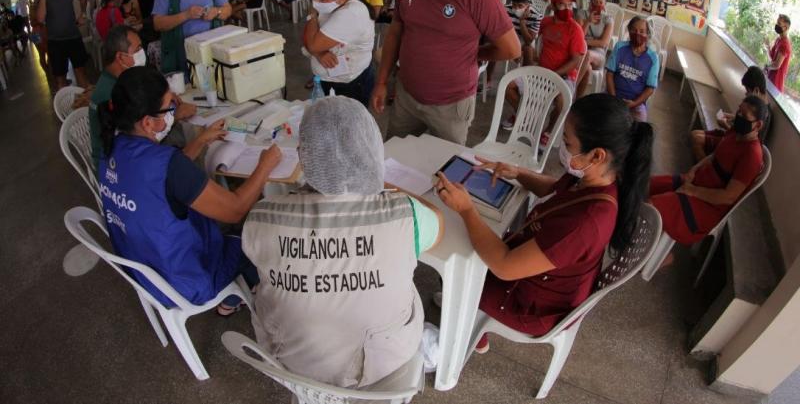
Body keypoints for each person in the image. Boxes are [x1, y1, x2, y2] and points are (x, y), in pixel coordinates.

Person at [243, 96, 443, 387]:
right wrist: (386, 186)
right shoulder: (404, 213)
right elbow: (438, 226)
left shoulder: (261, 217)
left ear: (303, 156)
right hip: (382, 370)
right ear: (371, 151)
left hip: (292, 365)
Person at [436, 93, 653, 351]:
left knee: (454, 265)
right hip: (535, 276)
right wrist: (518, 173)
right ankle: (467, 312)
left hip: (530, 305)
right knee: (465, 250)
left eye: (567, 142)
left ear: (597, 155)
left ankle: (472, 335)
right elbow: (556, 188)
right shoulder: (598, 180)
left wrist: (466, 209)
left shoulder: (586, 222)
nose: (562, 148)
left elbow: (505, 267)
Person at [97, 66, 281, 314]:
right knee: (255, 225)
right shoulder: (168, 165)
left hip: (145, 270)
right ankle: (235, 297)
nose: (174, 112)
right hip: (187, 280)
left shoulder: (111, 149)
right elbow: (235, 209)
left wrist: (201, 140)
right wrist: (265, 165)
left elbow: (159, 180)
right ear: (149, 122)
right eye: (168, 108)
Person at [372, 0, 520, 145]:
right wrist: (382, 82)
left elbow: (511, 48)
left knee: (444, 168)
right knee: (395, 159)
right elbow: (396, 31)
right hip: (406, 96)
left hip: (451, 105)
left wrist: (475, 54)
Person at [650, 96, 766, 247]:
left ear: (758, 125)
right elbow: (714, 156)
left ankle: (663, 256)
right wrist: (695, 169)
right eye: (739, 111)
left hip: (708, 204)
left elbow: (728, 197)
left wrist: (692, 191)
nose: (738, 116)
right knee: (646, 185)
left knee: (650, 208)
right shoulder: (735, 132)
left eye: (744, 116)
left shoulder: (752, 155)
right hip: (697, 182)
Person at [88, 25, 197, 170]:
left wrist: (161, 96)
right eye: (138, 49)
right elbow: (140, 138)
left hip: (123, 156)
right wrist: (174, 117)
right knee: (189, 143)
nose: (142, 52)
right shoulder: (113, 93)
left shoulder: (117, 81)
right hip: (118, 167)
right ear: (120, 57)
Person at [302, 0, 376, 107]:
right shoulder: (329, 6)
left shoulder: (351, 13)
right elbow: (307, 37)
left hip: (349, 85)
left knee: (349, 125)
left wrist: (311, 15)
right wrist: (319, 53)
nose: (316, 2)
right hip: (330, 80)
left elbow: (311, 44)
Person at [537, 0, 587, 144]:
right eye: (562, 5)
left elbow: (575, 61)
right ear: (552, 6)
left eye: (569, 5)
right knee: (510, 86)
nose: (567, 9)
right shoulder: (545, 22)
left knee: (561, 100)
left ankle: (549, 129)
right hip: (541, 71)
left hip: (563, 75)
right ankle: (525, 117)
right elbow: (535, 41)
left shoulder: (575, 28)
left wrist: (554, 74)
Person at [690, 66, 771, 160]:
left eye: (747, 91)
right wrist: (732, 117)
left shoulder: (764, 117)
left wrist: (725, 126)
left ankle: (705, 168)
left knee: (696, 139)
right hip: (730, 136)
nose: (746, 94)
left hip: (734, 143)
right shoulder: (759, 106)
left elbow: (744, 141)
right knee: (694, 133)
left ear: (756, 91)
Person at [35, 0, 90, 89]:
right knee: (60, 80)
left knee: (80, 73)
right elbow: (40, 18)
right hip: (55, 43)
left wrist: (82, 14)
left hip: (73, 38)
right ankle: (67, 107)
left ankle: (85, 105)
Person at [605, 17, 660, 122]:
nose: (637, 34)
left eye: (642, 31)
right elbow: (609, 74)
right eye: (634, 30)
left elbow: (650, 88)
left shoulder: (653, 58)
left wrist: (634, 103)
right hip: (613, 96)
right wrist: (613, 98)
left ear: (647, 34)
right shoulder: (620, 47)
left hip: (636, 104)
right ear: (629, 31)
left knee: (638, 130)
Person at [507, 0, 542, 67]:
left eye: (520, 6)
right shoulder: (506, 10)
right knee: (495, 43)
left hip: (525, 40)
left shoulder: (536, 16)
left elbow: (528, 41)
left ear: (527, 5)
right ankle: (488, 78)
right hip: (510, 37)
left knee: (528, 49)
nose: (516, 8)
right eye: (514, 5)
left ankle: (525, 77)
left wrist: (522, 21)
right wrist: (514, 46)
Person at [582, 0, 615, 70]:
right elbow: (579, 36)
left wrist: (584, 42)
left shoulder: (608, 19)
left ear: (604, 5)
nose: (598, 5)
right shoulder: (582, 14)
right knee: (588, 68)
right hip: (581, 50)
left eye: (601, 3)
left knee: (588, 55)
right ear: (590, 2)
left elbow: (604, 43)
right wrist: (588, 22)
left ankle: (571, 82)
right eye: (595, 2)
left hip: (598, 53)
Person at [764, 14, 792, 92]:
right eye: (777, 23)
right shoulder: (778, 39)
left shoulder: (785, 44)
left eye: (779, 24)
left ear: (786, 27)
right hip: (770, 79)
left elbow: (776, 65)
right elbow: (772, 60)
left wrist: (766, 67)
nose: (776, 25)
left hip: (775, 84)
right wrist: (768, 48)